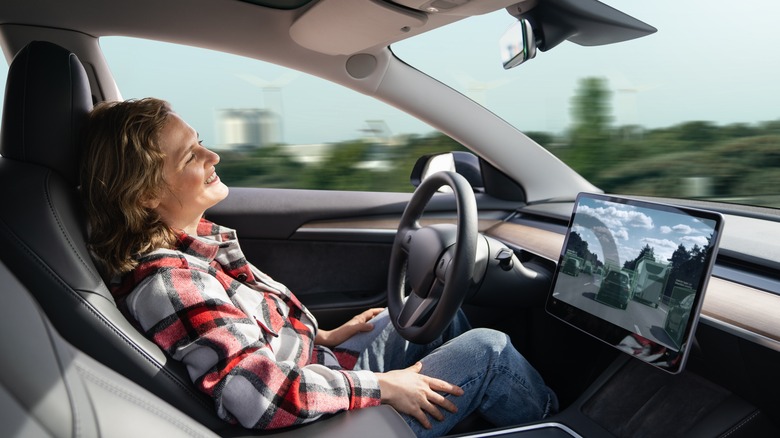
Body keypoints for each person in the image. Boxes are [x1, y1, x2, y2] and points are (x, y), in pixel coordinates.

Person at [80, 97, 558, 437]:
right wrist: (384, 386)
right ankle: (559, 424)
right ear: (145, 194)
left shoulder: (193, 248)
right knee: (488, 352)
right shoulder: (173, 282)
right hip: (312, 419)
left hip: (317, 368)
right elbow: (258, 398)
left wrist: (325, 337)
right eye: (190, 155)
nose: (213, 156)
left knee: (436, 313)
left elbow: (249, 345)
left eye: (201, 142)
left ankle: (482, 413)